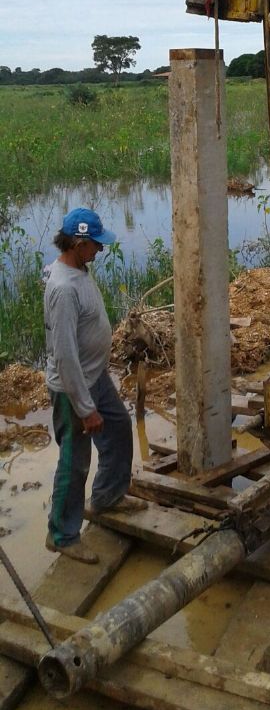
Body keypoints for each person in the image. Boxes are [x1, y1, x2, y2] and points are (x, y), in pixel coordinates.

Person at [45, 207, 146, 564]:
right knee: (75, 463)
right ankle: (62, 534)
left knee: (118, 428)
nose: (100, 251)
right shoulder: (62, 290)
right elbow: (65, 356)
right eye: (94, 245)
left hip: (96, 378)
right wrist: (85, 408)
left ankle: (106, 499)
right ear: (76, 243)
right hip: (74, 388)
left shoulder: (77, 270)